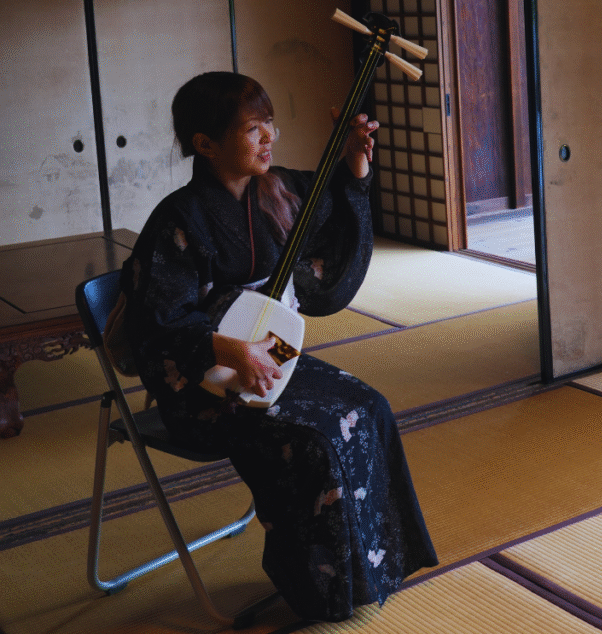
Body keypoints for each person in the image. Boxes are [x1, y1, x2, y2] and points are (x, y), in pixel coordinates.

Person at [118, 71, 437, 622]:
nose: (270, 137)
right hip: (200, 383)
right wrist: (224, 349)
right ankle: (314, 584)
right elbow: (155, 325)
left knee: (370, 409)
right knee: (312, 442)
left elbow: (331, 206)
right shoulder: (179, 218)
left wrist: (355, 168)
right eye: (252, 128)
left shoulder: (279, 190)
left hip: (269, 354)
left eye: (270, 123)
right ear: (205, 143)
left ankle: (367, 570)